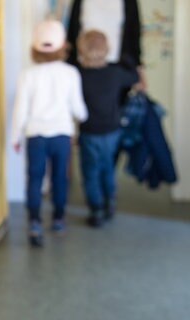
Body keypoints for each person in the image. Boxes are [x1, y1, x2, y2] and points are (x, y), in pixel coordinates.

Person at [11, 19, 88, 247]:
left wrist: (15, 136)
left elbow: (20, 109)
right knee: (59, 179)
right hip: (62, 135)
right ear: (63, 46)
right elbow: (78, 109)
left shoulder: (28, 74)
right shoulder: (71, 73)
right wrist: (84, 117)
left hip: (35, 135)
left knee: (35, 178)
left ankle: (34, 222)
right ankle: (58, 219)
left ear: (34, 47)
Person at [75, 30, 139, 227]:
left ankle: (96, 210)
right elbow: (134, 77)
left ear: (81, 49)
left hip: (89, 131)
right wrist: (127, 60)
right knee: (108, 168)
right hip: (112, 130)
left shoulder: (78, 74)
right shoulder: (115, 73)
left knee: (90, 171)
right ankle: (110, 202)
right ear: (107, 48)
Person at [66, 0, 146, 91]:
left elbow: (134, 34)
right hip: (83, 66)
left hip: (116, 65)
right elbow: (72, 33)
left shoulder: (129, 2)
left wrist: (139, 69)